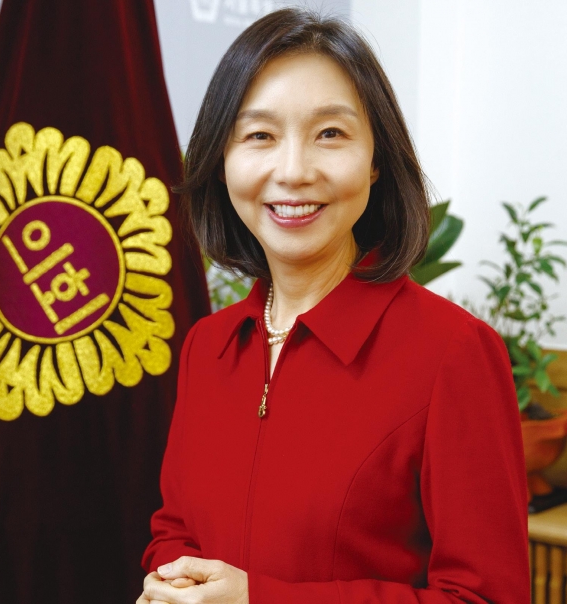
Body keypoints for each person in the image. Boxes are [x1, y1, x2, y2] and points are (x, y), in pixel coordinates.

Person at [138, 8, 529, 604]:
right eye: (259, 136)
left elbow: (486, 597)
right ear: (220, 162)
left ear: (376, 161)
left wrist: (260, 600)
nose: (293, 171)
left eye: (330, 134)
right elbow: (176, 529)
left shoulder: (453, 353)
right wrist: (171, 581)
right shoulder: (207, 346)